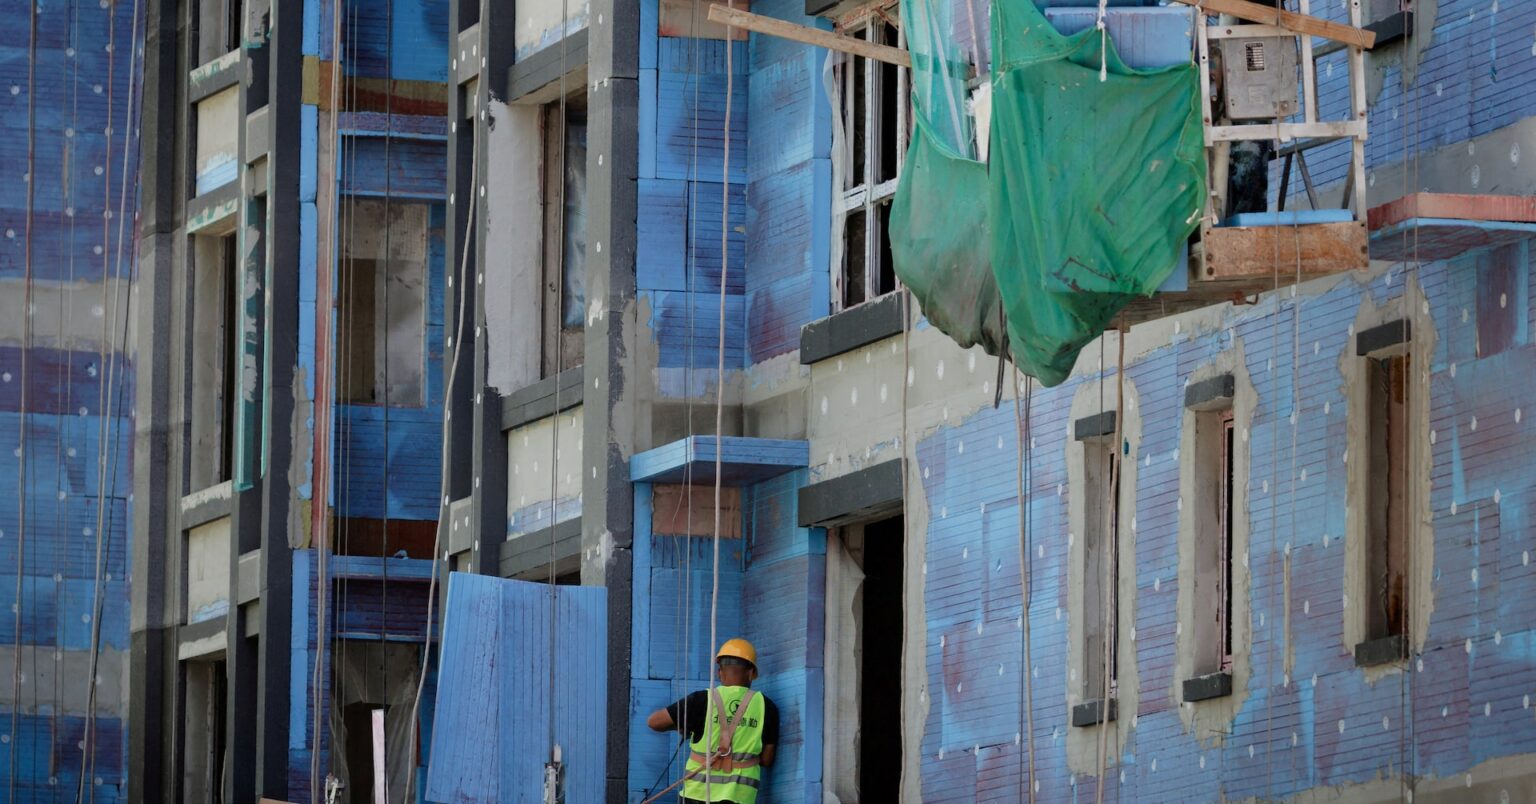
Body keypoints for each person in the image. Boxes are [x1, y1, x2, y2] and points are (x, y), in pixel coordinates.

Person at [647, 638, 778, 804]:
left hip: (696, 795)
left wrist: (683, 726)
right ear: (752, 672)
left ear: (719, 672)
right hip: (739, 798)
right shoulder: (767, 707)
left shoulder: (701, 700)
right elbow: (767, 759)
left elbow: (654, 722)